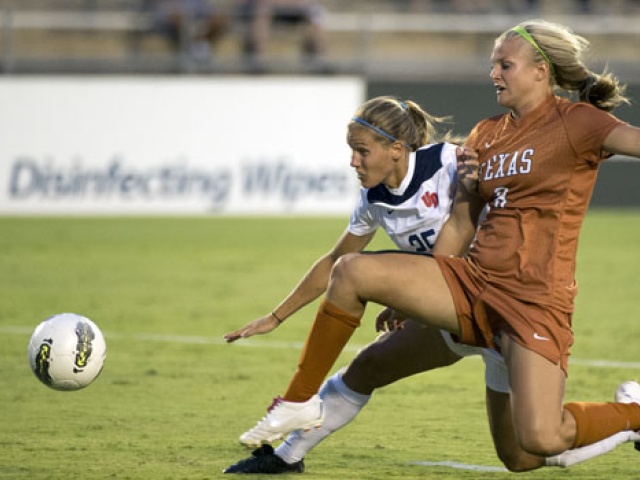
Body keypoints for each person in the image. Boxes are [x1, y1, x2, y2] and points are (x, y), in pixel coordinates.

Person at [227, 19, 640, 472]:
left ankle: (634, 414)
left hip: (534, 300)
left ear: (541, 71)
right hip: (473, 285)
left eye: (505, 65)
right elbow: (461, 222)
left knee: (530, 448)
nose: (494, 74)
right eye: (492, 65)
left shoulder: (577, 122)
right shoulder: (486, 135)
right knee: (352, 274)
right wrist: (423, 290)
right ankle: (293, 423)